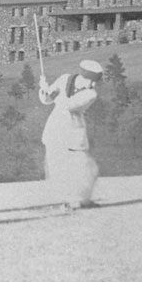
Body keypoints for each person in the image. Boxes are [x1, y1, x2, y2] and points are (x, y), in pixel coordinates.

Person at [39, 59, 103, 209]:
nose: (93, 85)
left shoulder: (90, 94)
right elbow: (46, 100)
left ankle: (83, 200)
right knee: (57, 165)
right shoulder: (64, 79)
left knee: (83, 166)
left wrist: (52, 93)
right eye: (91, 81)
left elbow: (69, 105)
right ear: (83, 76)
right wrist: (44, 89)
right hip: (55, 129)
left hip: (74, 131)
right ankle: (67, 201)